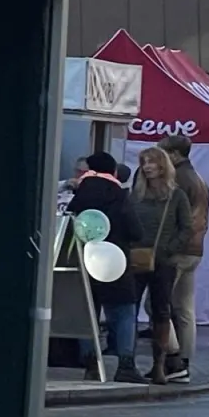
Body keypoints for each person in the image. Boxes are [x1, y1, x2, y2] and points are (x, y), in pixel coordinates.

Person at [67, 152, 145, 383]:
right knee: (124, 312)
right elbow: (136, 232)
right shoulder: (119, 196)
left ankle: (91, 364)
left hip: (84, 262)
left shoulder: (78, 197)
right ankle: (126, 365)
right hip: (114, 262)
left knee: (88, 313)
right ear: (113, 171)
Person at [130, 147, 194, 385]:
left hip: (164, 262)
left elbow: (186, 227)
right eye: (144, 162)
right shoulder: (135, 194)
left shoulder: (176, 195)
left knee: (161, 312)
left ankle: (159, 365)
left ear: (162, 165)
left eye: (152, 162)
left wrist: (169, 249)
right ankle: (129, 364)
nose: (147, 167)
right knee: (130, 310)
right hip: (137, 258)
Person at [156, 135, 209, 383]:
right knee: (184, 308)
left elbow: (174, 218)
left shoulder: (177, 178)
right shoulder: (198, 178)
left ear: (174, 155)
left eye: (163, 154)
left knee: (158, 305)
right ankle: (184, 362)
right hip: (195, 249)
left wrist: (168, 246)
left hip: (178, 249)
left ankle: (174, 359)